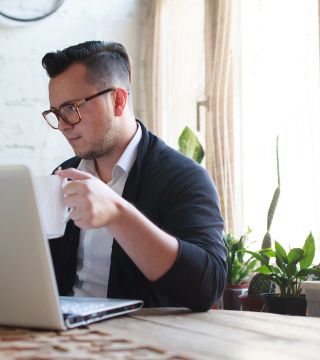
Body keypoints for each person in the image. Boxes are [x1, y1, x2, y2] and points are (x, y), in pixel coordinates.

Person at [41, 41, 226, 311]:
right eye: (56, 113)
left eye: (72, 108)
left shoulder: (184, 178)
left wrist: (118, 213)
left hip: (141, 342)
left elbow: (207, 287)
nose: (63, 126)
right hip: (64, 336)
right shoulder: (65, 175)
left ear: (118, 100)